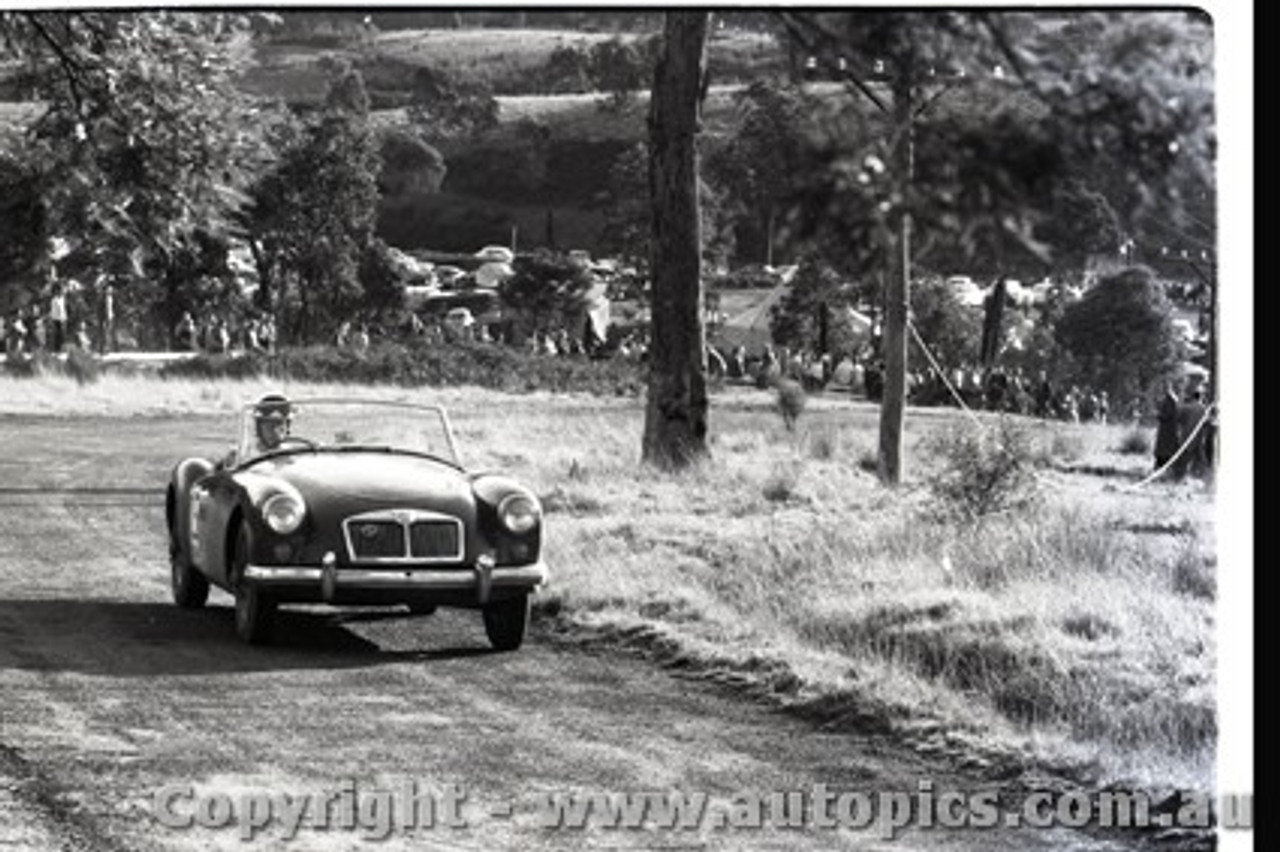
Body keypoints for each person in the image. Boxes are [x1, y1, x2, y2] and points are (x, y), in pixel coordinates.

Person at [1153, 383, 1181, 475]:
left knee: (1165, 450)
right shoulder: (1170, 399)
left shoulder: (1170, 399)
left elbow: (1167, 415)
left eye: (1164, 388)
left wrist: (1157, 414)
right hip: (1167, 429)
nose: (1162, 390)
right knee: (1165, 449)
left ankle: (1162, 469)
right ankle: (1161, 468)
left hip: (1167, 430)